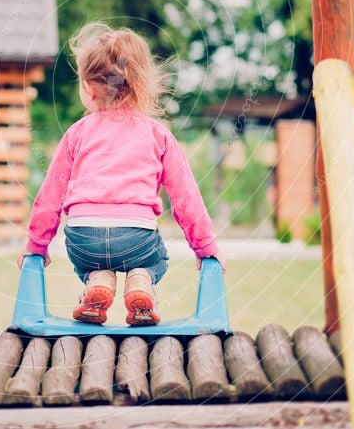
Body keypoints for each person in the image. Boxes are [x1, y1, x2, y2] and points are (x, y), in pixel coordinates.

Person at [17, 21, 225, 325]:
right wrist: (206, 248)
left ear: (88, 88)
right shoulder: (157, 134)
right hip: (136, 238)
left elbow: (50, 196)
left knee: (89, 262)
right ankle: (142, 279)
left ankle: (96, 278)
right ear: (142, 84)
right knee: (157, 260)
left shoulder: (77, 133)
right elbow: (185, 197)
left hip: (82, 237)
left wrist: (36, 246)